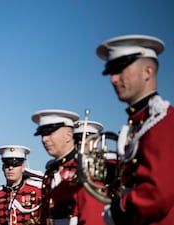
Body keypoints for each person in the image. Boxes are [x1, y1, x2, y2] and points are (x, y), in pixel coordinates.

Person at [96, 34, 174, 225]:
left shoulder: (163, 121)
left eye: (120, 70)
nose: (113, 79)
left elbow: (158, 193)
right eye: (112, 72)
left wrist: (120, 209)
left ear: (147, 71)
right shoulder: (141, 122)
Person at [32, 109, 107, 225]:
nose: (44, 139)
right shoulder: (51, 172)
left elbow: (93, 218)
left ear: (68, 135)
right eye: (42, 134)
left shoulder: (85, 168)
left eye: (49, 133)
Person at [0, 145, 42, 225]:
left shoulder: (37, 192)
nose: (10, 168)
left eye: (15, 165)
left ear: (23, 168)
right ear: (3, 168)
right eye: (7, 165)